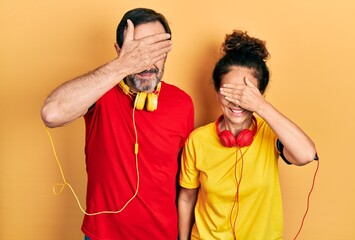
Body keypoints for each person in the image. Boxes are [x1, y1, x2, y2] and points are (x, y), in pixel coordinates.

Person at [41, 8, 194, 240]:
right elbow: (52, 114)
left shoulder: (183, 103)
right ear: (119, 51)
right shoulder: (100, 92)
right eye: (139, 50)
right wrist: (124, 65)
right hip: (102, 236)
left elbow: (186, 183)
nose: (147, 61)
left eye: (156, 50)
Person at [177, 30, 318, 239]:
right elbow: (187, 198)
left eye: (245, 94)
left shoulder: (271, 133)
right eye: (230, 92)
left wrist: (261, 106)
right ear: (217, 94)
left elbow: (306, 154)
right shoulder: (197, 141)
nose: (237, 102)